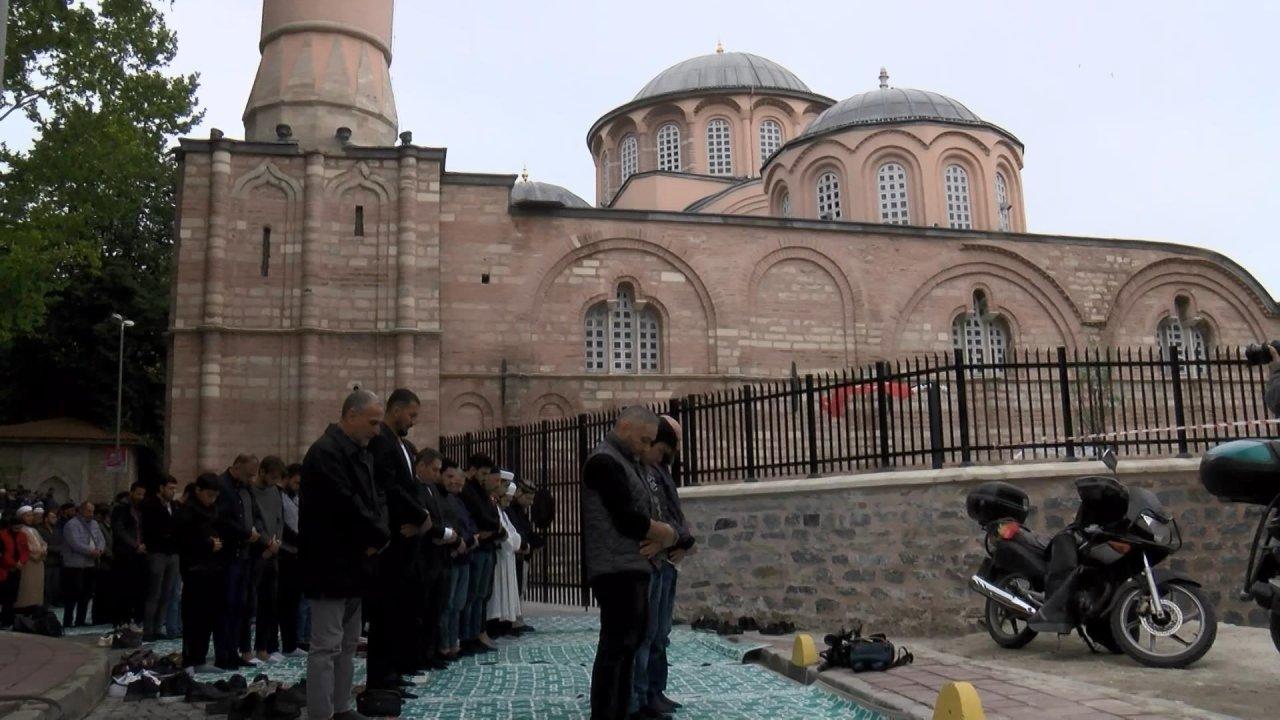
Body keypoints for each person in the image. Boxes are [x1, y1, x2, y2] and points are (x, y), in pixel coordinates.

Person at [581, 406, 678, 720]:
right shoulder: (604, 462)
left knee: (630, 643)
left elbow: (650, 506)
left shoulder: (629, 462)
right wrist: (664, 533)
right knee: (617, 646)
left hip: (631, 565)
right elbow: (626, 517)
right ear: (624, 427)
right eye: (643, 440)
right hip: (615, 568)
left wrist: (666, 534)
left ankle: (621, 710)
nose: (646, 448)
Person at [300, 389, 389, 720]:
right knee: (326, 646)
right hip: (330, 563)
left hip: (355, 564)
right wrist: (377, 535)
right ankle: (322, 713)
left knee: (349, 644)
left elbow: (375, 500)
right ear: (351, 416)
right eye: (373, 422)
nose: (376, 430)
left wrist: (378, 535)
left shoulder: (359, 453)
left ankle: (341, 707)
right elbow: (344, 503)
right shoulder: (325, 453)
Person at [365, 388, 432, 695]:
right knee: (385, 613)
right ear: (395, 411)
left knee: (399, 611)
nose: (413, 421)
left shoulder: (401, 444)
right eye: (411, 415)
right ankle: (380, 678)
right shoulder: (383, 442)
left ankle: (392, 672)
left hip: (408, 539)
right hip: (394, 538)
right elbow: (388, 486)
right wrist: (419, 515)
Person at [632, 416, 696, 718]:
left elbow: (674, 511)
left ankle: (655, 690)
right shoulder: (646, 471)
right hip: (654, 560)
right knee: (647, 633)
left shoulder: (662, 471)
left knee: (660, 633)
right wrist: (674, 539)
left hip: (668, 558)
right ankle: (642, 696)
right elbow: (654, 515)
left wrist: (684, 539)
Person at [214, 453, 261, 670]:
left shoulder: (244, 488)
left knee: (240, 607)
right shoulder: (223, 486)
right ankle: (224, 654)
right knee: (227, 606)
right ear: (237, 466)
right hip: (229, 555)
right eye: (249, 474)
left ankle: (234, 651)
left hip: (243, 554)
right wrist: (244, 533)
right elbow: (222, 520)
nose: (251, 479)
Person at [413, 447, 457, 672]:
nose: (437, 474)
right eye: (435, 469)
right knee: (423, 610)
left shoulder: (432, 490)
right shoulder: (415, 489)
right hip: (425, 557)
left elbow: (441, 516)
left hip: (439, 558)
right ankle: (420, 655)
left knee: (435, 609)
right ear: (421, 466)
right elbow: (423, 520)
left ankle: (431, 653)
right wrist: (446, 534)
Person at [176, 473, 225, 672]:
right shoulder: (187, 511)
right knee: (193, 617)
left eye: (215, 496)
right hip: (194, 570)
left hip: (211, 570)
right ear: (198, 491)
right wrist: (208, 543)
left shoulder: (212, 510)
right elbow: (184, 540)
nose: (211, 500)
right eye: (209, 495)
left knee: (207, 617)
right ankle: (191, 659)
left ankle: (200, 657)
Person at [459, 457, 502, 653]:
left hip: (487, 547)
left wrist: (493, 528)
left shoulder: (482, 493)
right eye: (483, 473)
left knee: (481, 595)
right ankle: (468, 636)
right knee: (472, 596)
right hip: (477, 548)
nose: (486, 478)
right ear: (473, 471)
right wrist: (493, 528)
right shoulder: (468, 491)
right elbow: (483, 517)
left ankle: (477, 632)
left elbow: (493, 517)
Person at [437, 459, 476, 660]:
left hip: (463, 557)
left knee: (458, 605)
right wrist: (458, 542)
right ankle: (445, 646)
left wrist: (467, 541)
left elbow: (468, 524)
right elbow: (446, 526)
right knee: (448, 605)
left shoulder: (458, 501)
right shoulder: (440, 499)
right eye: (449, 477)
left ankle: (454, 643)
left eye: (457, 478)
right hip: (450, 557)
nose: (454, 482)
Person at [251, 456, 287, 663]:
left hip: (273, 553)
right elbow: (255, 521)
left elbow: (279, 520)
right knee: (248, 604)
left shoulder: (276, 493)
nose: (274, 482)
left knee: (269, 602)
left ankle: (264, 646)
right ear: (262, 472)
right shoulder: (250, 492)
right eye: (272, 477)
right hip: (258, 552)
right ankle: (246, 648)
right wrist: (266, 544)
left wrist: (277, 544)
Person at [141, 476, 180, 641]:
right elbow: (153, 529)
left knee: (167, 593)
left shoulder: (173, 506)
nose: (172, 491)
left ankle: (158, 628)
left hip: (172, 553)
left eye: (174, 488)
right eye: (170, 488)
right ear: (161, 488)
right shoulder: (151, 505)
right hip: (157, 552)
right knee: (154, 593)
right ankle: (148, 629)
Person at [111, 481, 149, 629]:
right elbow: (120, 531)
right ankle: (121, 622)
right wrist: (135, 545)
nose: (140, 497)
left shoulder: (140, 510)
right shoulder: (121, 509)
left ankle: (136, 620)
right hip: (125, 555)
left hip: (139, 555)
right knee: (123, 589)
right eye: (138, 494)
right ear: (131, 492)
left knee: (138, 589)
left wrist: (144, 546)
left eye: (143, 495)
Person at [61, 501, 105, 628]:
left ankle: (80, 620)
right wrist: (90, 551)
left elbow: (101, 539)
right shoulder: (72, 525)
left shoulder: (95, 524)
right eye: (88, 511)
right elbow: (74, 543)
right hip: (74, 565)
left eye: (92, 511)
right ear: (81, 511)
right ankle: (68, 621)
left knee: (86, 594)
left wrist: (100, 550)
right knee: (72, 594)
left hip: (90, 565)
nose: (91, 514)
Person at [487, 482, 522, 634]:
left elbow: (513, 533)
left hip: (508, 556)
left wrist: (515, 542)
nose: (507, 504)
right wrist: (512, 542)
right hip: (500, 557)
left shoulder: (504, 513)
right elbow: (505, 536)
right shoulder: (495, 511)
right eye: (506, 500)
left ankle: (506, 621)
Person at [278, 463, 306, 657]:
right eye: (296, 482)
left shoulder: (296, 497)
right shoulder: (279, 497)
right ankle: (285, 644)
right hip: (284, 554)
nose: (298, 486)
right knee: (284, 602)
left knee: (295, 603)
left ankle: (292, 643)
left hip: (297, 554)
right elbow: (281, 526)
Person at [15, 505, 48, 614]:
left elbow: (43, 543)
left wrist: (42, 550)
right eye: (27, 516)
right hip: (28, 563)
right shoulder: (20, 530)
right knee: (27, 589)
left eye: (31, 515)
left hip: (39, 564)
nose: (30, 518)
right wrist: (38, 552)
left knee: (37, 589)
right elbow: (26, 547)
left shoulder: (34, 530)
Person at [0, 510, 30, 627]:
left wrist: (21, 562)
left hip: (16, 570)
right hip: (4, 569)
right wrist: (13, 564)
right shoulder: (2, 535)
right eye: (16, 528)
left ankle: (8, 620)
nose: (18, 530)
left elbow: (25, 551)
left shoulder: (22, 535)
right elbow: (4, 553)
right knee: (3, 596)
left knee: (12, 597)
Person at [38, 507, 62, 609]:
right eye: (52, 517)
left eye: (55, 517)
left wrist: (57, 548)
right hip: (46, 561)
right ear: (46, 518)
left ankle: (54, 601)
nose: (55, 519)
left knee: (55, 584)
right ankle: (45, 603)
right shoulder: (40, 530)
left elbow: (62, 543)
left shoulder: (57, 530)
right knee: (46, 584)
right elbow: (43, 545)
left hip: (57, 561)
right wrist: (55, 549)